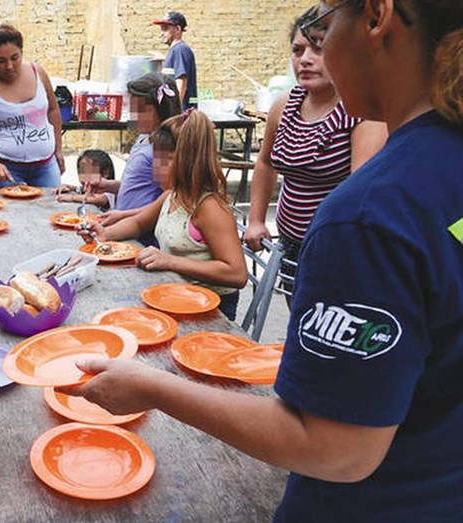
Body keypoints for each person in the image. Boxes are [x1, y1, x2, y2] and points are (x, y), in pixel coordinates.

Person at [63, 1, 463, 520]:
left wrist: (151, 386)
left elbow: (335, 448)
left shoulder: (370, 217)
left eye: (324, 25)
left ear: (376, 17)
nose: (316, 49)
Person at [243, 6, 387, 301]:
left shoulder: (361, 111)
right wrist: (256, 219)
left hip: (335, 252)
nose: (305, 60)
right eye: (297, 50)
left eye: (318, 49)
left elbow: (359, 192)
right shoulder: (284, 105)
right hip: (289, 246)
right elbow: (266, 162)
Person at [79, 110, 247, 319]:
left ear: (189, 161)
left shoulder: (209, 207)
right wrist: (104, 233)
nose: (156, 168)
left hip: (209, 311)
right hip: (175, 295)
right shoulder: (172, 195)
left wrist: (170, 261)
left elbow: (237, 274)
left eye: (165, 160)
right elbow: (139, 223)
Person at [0, 24, 64, 194]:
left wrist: (58, 149)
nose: (9, 66)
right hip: (6, 169)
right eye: (1, 61)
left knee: (49, 211)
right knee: (9, 216)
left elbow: (53, 110)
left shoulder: (37, 72)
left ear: (22, 52)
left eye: (15, 58)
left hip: (45, 165)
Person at [89, 72, 182, 245]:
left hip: (142, 237)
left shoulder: (162, 150)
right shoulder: (143, 138)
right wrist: (109, 185)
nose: (132, 115)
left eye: (138, 110)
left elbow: (168, 201)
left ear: (157, 111)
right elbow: (139, 185)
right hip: (124, 228)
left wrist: (125, 215)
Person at [152, 12, 197, 110]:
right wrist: (165, 59)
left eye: (165, 28)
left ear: (177, 29)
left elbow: (181, 83)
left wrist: (174, 111)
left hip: (182, 115)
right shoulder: (177, 51)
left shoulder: (180, 49)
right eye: (161, 29)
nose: (162, 33)